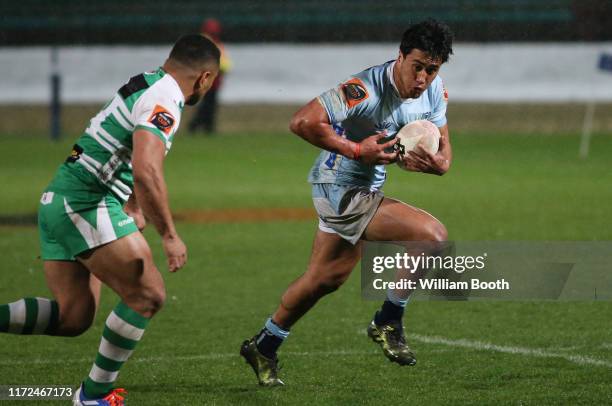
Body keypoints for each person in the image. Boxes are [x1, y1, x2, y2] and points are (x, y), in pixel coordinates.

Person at [0, 34, 219, 405]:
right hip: (85, 203)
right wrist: (169, 234)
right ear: (205, 79)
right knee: (147, 295)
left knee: (73, 317)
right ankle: (93, 396)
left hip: (61, 199)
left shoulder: (151, 83)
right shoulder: (165, 99)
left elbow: (127, 151)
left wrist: (133, 206)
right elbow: (147, 169)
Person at [240, 19, 454, 386]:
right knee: (431, 236)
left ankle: (265, 344)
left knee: (324, 279)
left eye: (431, 70)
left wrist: (436, 164)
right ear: (400, 56)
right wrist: (356, 149)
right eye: (416, 66)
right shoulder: (364, 89)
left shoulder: (433, 92)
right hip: (339, 188)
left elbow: (444, 154)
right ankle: (389, 319)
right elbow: (302, 121)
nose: (422, 78)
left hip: (362, 188)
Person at [188, 18, 232, 134]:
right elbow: (221, 63)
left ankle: (204, 126)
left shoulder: (205, 42)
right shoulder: (210, 43)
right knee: (208, 105)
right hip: (210, 80)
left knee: (208, 105)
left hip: (211, 80)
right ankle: (201, 126)